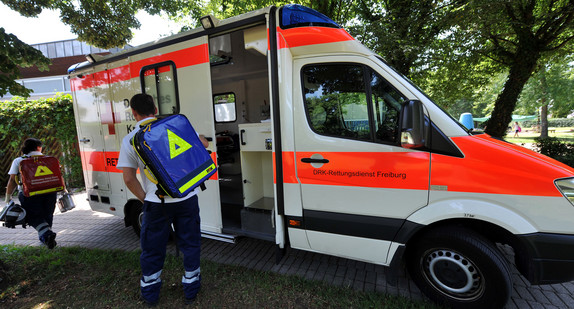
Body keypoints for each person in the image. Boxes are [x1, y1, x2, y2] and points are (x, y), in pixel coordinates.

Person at [117, 93, 208, 306]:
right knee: (190, 243)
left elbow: (129, 179)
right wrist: (200, 136)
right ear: (155, 110)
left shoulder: (131, 139)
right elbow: (202, 143)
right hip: (187, 198)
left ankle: (151, 294)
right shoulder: (175, 127)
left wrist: (146, 199)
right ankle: (191, 289)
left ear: (134, 113)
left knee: (152, 247)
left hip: (156, 204)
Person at [4, 138, 58, 249]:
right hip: (50, 192)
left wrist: (8, 196)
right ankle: (46, 238)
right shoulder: (49, 159)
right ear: (38, 147)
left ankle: (47, 235)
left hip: (29, 194)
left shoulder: (19, 161)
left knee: (32, 216)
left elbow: (12, 181)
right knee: (47, 215)